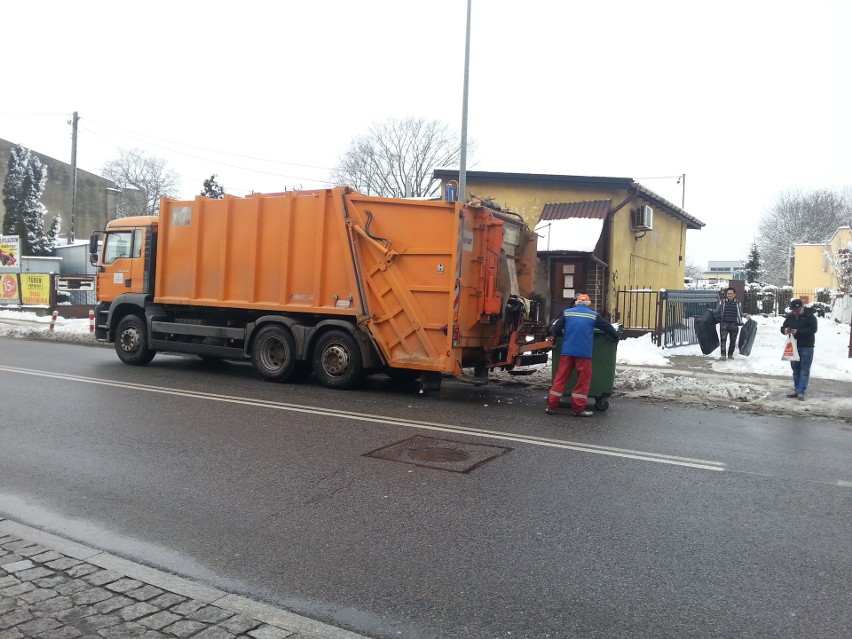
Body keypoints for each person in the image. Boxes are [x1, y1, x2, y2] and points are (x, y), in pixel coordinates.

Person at [546, 294, 619, 417]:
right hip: (583, 354)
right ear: (588, 304)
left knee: (560, 378)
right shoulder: (593, 315)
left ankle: (551, 407)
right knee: (582, 381)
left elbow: (556, 329)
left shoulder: (567, 313)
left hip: (567, 352)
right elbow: (608, 328)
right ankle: (578, 409)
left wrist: (558, 335)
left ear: (576, 303)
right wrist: (615, 337)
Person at [780, 298, 818, 400]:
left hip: (807, 346)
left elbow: (813, 329)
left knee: (804, 370)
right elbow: (783, 327)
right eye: (793, 310)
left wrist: (799, 332)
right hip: (792, 345)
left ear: (802, 307)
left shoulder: (810, 316)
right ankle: (797, 390)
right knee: (795, 370)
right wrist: (785, 330)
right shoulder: (790, 316)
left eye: (797, 310)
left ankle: (801, 391)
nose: (795, 312)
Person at [715, 287, 747, 359]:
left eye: (731, 294)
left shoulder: (738, 303)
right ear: (726, 294)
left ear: (734, 294)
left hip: (734, 325)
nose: (729, 295)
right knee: (723, 340)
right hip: (724, 324)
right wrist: (710, 311)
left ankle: (730, 355)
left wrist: (746, 315)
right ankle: (723, 355)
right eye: (728, 294)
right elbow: (717, 311)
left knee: (733, 341)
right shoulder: (722, 302)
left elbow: (740, 313)